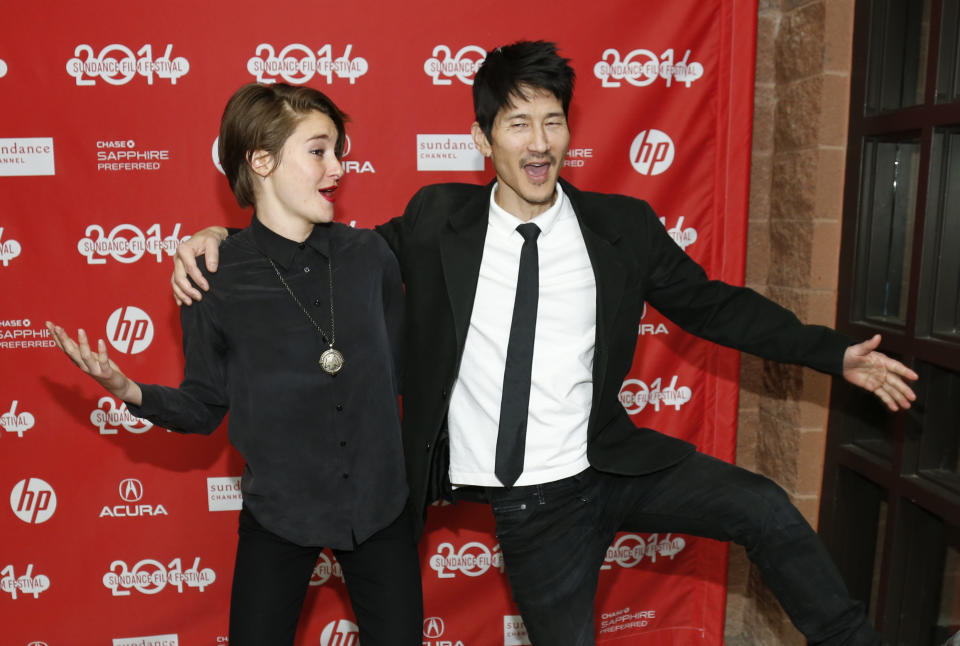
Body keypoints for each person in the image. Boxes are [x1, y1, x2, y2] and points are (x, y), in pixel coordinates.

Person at [172, 43, 917, 646]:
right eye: (519, 123)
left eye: (553, 121)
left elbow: (712, 307)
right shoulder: (436, 222)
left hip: (608, 463)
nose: (540, 142)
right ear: (482, 139)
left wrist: (832, 353)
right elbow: (317, 251)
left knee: (764, 508)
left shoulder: (620, 227)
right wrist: (219, 241)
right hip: (534, 509)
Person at [47, 82, 422, 646]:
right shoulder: (212, 276)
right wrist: (128, 389)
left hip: (380, 509)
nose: (338, 167)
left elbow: (406, 372)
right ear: (262, 161)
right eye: (319, 151)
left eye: (338, 151)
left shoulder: (370, 257)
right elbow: (203, 407)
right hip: (280, 515)